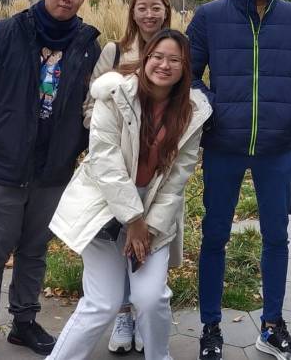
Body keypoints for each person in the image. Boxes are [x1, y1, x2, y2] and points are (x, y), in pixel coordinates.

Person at [0, 0, 101, 360]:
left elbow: (94, 104)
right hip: (3, 168)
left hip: (52, 171)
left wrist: (75, 145)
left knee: (34, 251)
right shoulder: (6, 33)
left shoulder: (87, 45)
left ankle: (24, 322)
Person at [187, 0, 291, 360]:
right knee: (215, 236)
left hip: (275, 147)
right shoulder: (209, 16)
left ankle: (272, 325)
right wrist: (214, 109)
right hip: (224, 144)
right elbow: (187, 74)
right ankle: (210, 327)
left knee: (276, 237)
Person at [46, 29, 210, 360]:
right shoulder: (115, 96)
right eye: (158, 57)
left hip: (154, 212)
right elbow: (105, 161)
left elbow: (177, 180)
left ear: (185, 67)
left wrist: (147, 227)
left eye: (174, 60)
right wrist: (133, 219)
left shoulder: (192, 113)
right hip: (104, 207)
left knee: (150, 298)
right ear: (145, 59)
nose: (164, 65)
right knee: (102, 303)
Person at [93, 0, 173, 354]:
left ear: (166, 10)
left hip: (157, 168)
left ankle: (143, 316)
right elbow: (90, 105)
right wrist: (112, 132)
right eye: (142, 7)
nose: (149, 14)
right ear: (132, 12)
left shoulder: (177, 50)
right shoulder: (114, 51)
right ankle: (123, 314)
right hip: (119, 165)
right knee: (117, 242)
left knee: (146, 240)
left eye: (156, 7)